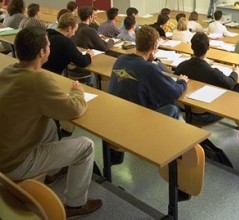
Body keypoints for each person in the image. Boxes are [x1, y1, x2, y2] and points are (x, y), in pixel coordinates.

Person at [0, 27, 102, 217]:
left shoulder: (7, 71)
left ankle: (54, 170)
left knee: (47, 124)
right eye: (48, 46)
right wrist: (77, 91)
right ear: (42, 52)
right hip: (14, 163)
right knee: (86, 146)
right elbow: (75, 109)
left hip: (4, 150)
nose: (50, 48)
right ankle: (76, 203)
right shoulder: (38, 79)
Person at [108, 25, 188, 119]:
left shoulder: (121, 59)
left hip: (117, 108)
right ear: (154, 46)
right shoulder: (149, 68)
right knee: (172, 107)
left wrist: (148, 61)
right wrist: (182, 82)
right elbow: (175, 92)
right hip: (136, 116)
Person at [174, 32, 239, 123]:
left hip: (184, 108)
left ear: (192, 47)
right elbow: (230, 83)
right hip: (205, 114)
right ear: (208, 47)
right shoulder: (212, 72)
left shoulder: (182, 66)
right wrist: (235, 73)